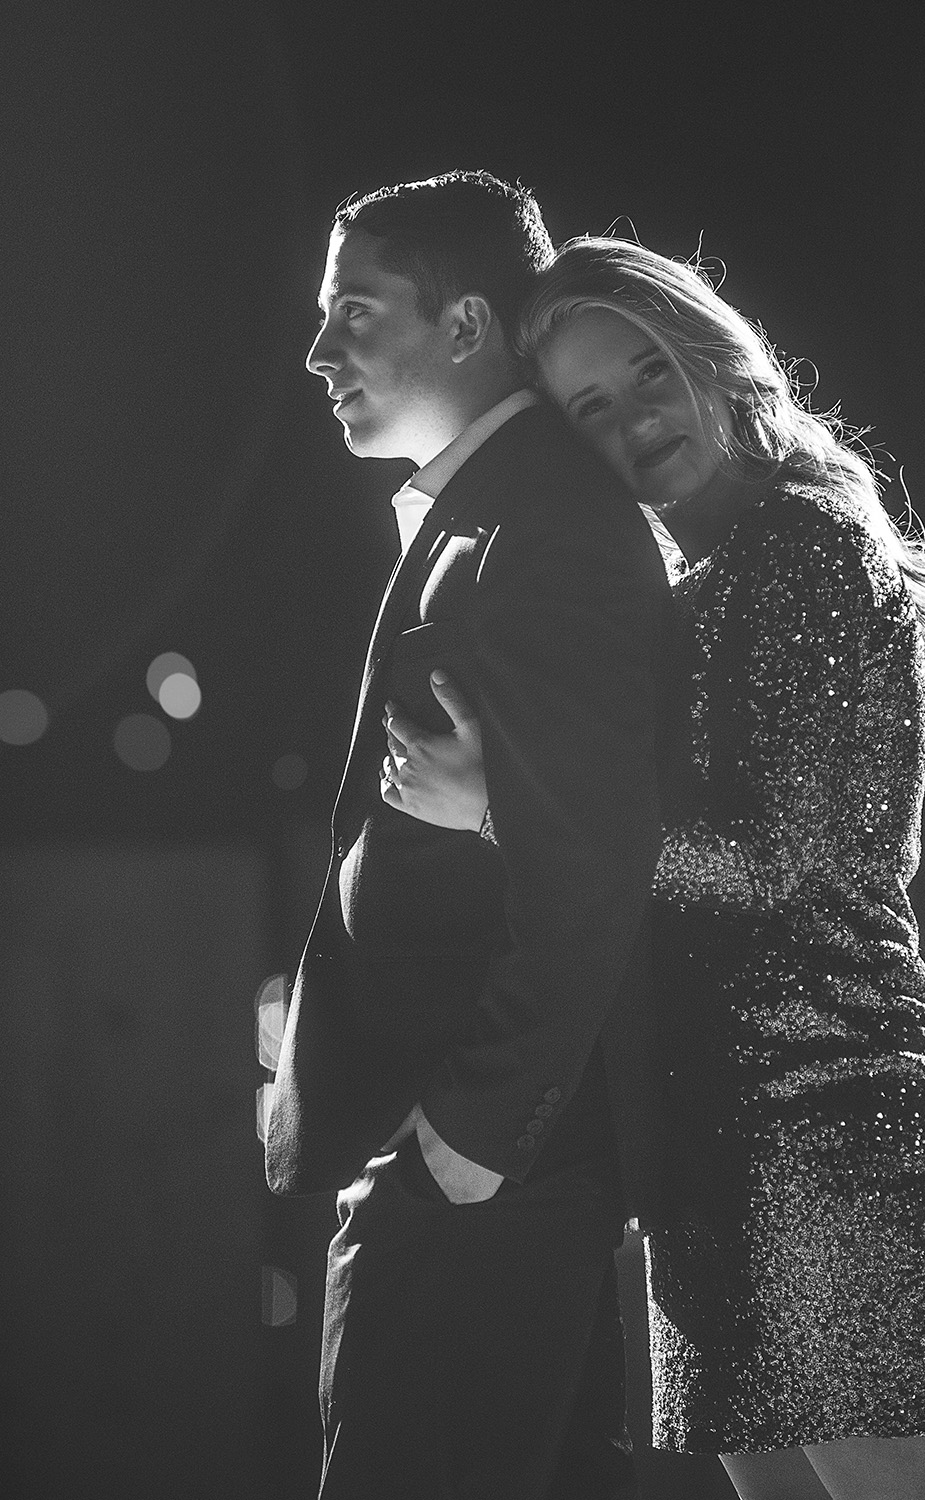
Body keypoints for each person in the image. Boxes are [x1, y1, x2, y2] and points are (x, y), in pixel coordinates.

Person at [379, 236, 925, 1500]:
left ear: (714, 365)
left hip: (815, 1105)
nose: (635, 418)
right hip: (719, 1125)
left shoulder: (797, 546)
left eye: (647, 373)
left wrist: (499, 808)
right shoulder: (719, 572)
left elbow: (772, 867)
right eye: (592, 408)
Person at [265, 178, 677, 1500]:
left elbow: (592, 868)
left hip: (487, 1164)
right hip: (466, 1159)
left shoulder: (545, 522)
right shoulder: (494, 507)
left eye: (354, 313)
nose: (319, 352)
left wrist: (468, 1139)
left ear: (463, 328)